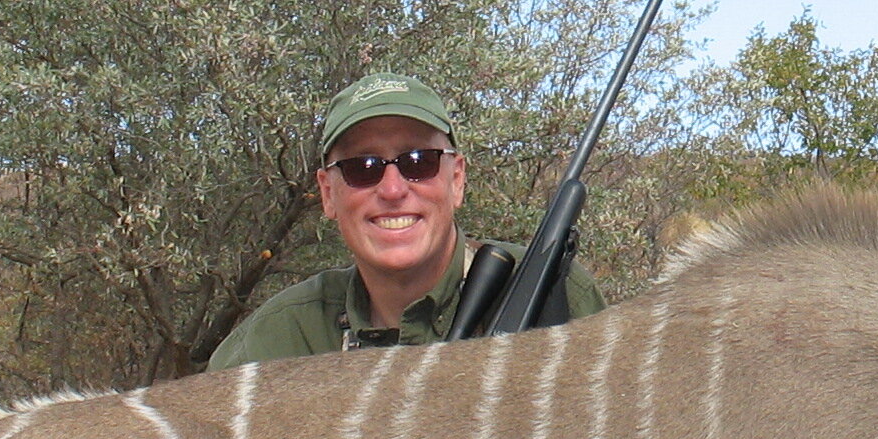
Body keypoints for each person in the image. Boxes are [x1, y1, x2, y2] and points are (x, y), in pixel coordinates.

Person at [207, 72, 603, 365]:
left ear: (457, 180)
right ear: (328, 193)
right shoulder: (281, 338)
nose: (393, 190)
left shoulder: (558, 293)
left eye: (419, 162)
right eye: (364, 167)